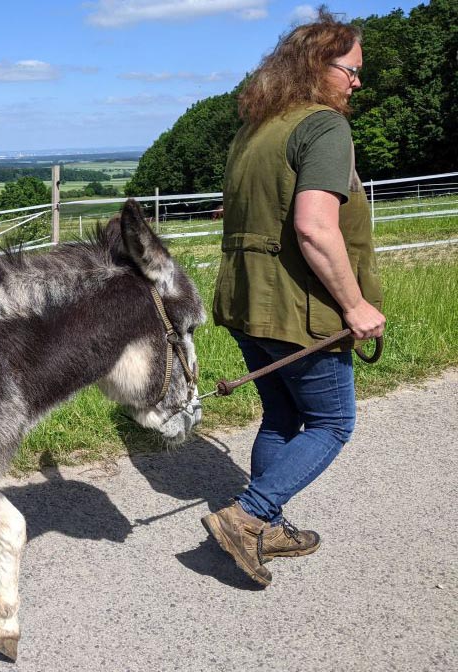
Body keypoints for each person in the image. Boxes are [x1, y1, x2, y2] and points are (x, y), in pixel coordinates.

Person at [202, 8, 385, 587]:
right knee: (331, 423)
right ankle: (249, 515)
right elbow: (314, 227)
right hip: (298, 307)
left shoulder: (252, 131)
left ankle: (270, 521)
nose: (358, 81)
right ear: (316, 66)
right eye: (350, 70)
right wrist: (355, 307)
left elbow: (239, 211)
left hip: (245, 298)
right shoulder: (324, 127)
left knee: (281, 414)